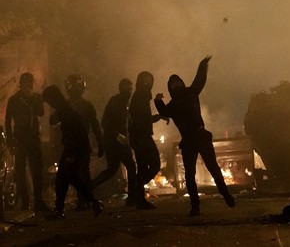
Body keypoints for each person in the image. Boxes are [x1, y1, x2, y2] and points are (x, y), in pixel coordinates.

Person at [154, 56, 235, 216]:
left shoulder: (191, 93)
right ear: (170, 88)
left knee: (213, 168)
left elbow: (200, 80)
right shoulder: (173, 104)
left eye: (177, 82)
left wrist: (203, 65)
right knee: (190, 174)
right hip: (190, 140)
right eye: (172, 84)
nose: (175, 85)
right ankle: (195, 206)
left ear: (181, 84)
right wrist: (157, 100)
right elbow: (163, 112)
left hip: (200, 136)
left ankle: (225, 194)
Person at [42, 85, 103, 218]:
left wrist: (71, 154)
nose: (50, 104)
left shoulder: (65, 109)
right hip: (77, 147)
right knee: (72, 178)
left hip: (74, 148)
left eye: (49, 101)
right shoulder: (65, 108)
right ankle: (93, 203)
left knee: (64, 178)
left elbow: (73, 131)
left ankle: (61, 209)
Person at [4, 72, 51, 213]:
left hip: (33, 138)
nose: (27, 85)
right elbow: (8, 122)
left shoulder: (35, 98)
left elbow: (41, 112)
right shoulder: (14, 100)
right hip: (20, 139)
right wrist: (11, 140)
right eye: (25, 82)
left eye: (29, 82)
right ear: (21, 83)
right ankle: (25, 201)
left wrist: (33, 99)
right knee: (20, 170)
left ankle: (38, 200)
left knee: (37, 171)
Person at [91, 78, 137, 206]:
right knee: (131, 167)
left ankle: (89, 187)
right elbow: (105, 122)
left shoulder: (125, 103)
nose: (129, 91)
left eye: (130, 88)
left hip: (117, 141)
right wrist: (117, 135)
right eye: (127, 88)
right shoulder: (115, 102)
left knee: (112, 170)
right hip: (114, 142)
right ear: (121, 89)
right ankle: (132, 196)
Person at [64, 74, 104, 211]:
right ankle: (86, 200)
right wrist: (100, 142)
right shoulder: (73, 105)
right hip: (75, 143)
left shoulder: (80, 105)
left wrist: (100, 142)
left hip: (77, 144)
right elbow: (95, 125)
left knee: (80, 173)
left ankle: (85, 200)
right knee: (80, 173)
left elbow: (94, 125)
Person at [128, 71, 167, 210]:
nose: (148, 84)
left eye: (150, 81)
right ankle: (136, 193)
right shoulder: (140, 96)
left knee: (143, 168)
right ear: (140, 82)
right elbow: (141, 119)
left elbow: (143, 118)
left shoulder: (141, 96)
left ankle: (139, 198)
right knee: (155, 164)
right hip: (141, 137)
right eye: (145, 81)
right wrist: (158, 117)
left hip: (139, 136)